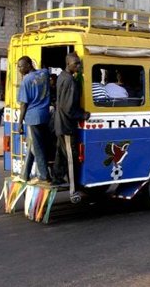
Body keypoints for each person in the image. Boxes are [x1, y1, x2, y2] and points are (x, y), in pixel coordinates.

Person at [54, 53, 90, 202]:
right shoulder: (70, 81)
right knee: (71, 157)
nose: (78, 66)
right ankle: (73, 190)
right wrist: (82, 115)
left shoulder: (62, 77)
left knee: (60, 153)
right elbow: (69, 108)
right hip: (67, 125)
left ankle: (56, 178)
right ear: (68, 63)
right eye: (76, 64)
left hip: (60, 123)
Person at [17, 56, 51, 185]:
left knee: (37, 148)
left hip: (33, 117)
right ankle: (24, 174)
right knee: (35, 144)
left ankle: (43, 176)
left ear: (28, 65)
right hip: (45, 115)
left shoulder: (26, 81)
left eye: (21, 66)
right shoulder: (44, 73)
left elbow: (23, 104)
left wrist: (20, 123)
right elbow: (47, 70)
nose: (19, 69)